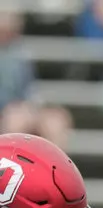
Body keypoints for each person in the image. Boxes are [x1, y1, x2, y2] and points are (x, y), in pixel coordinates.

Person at [0, 13, 73, 147]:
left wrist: (31, 108)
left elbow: (30, 90)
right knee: (15, 120)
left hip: (23, 108)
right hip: (8, 112)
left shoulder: (20, 54)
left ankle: (54, 166)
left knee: (56, 121)